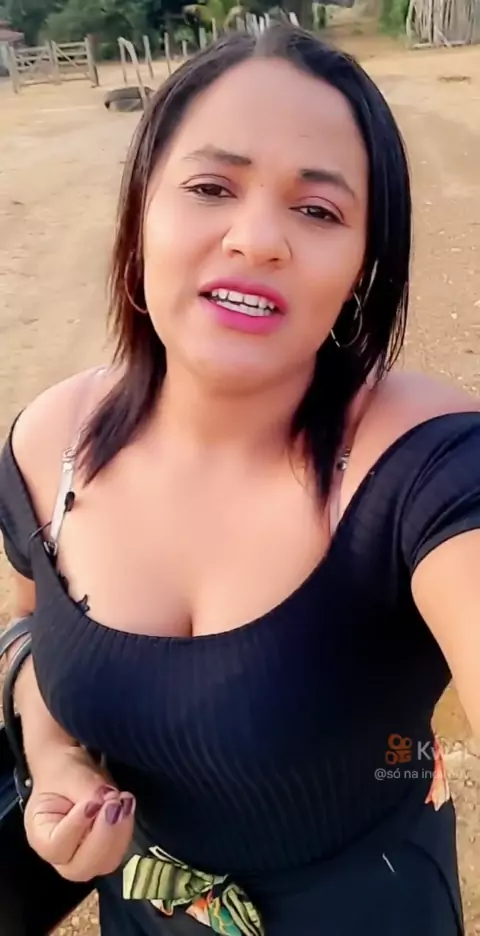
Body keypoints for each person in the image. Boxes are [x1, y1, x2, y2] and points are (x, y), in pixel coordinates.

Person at [0, 23, 479, 936]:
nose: (257, 240)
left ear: (363, 267)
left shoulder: (426, 460)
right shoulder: (46, 446)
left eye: (319, 211)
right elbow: (26, 630)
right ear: (142, 213)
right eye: (212, 188)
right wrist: (58, 757)